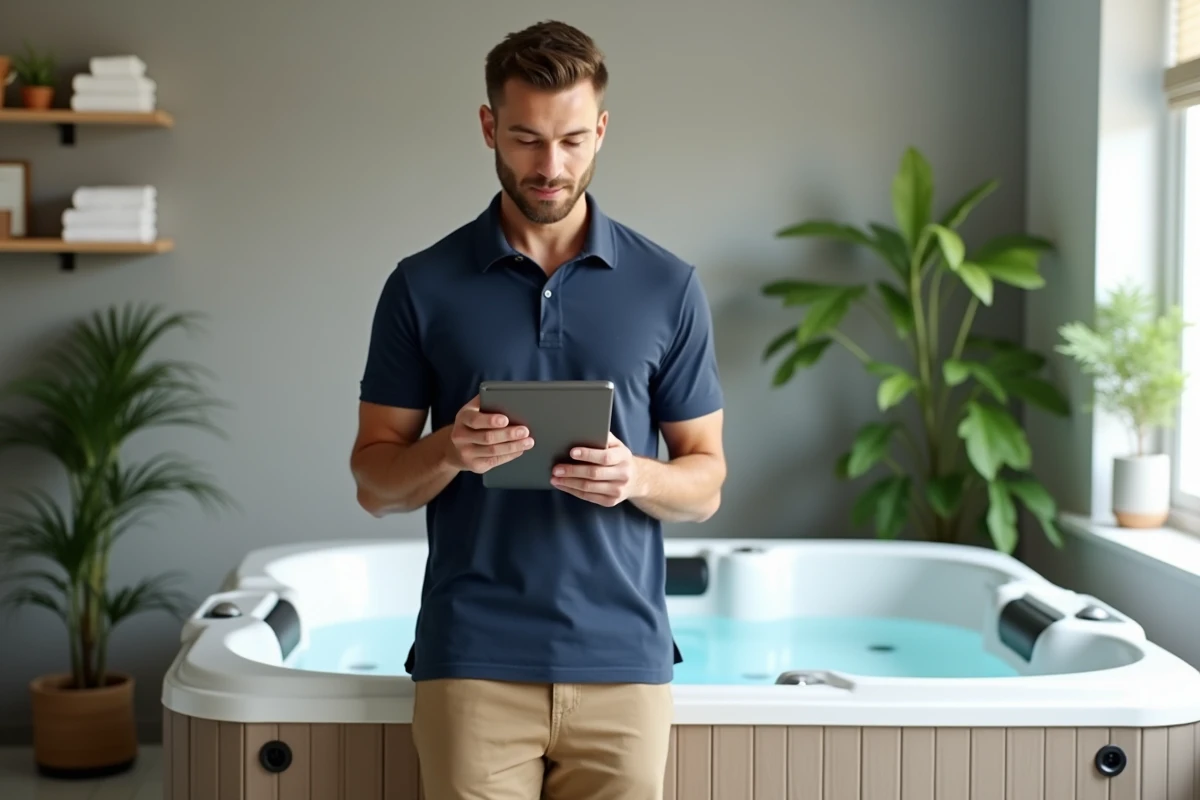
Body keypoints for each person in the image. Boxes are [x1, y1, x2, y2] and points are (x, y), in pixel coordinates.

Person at [350, 19, 726, 800]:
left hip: (624, 663)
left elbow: (706, 481)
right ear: (488, 126)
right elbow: (375, 481)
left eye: (572, 140)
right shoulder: (421, 285)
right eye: (524, 139)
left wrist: (636, 477)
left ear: (602, 131)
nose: (549, 166)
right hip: (473, 659)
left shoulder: (668, 286)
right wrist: (450, 449)